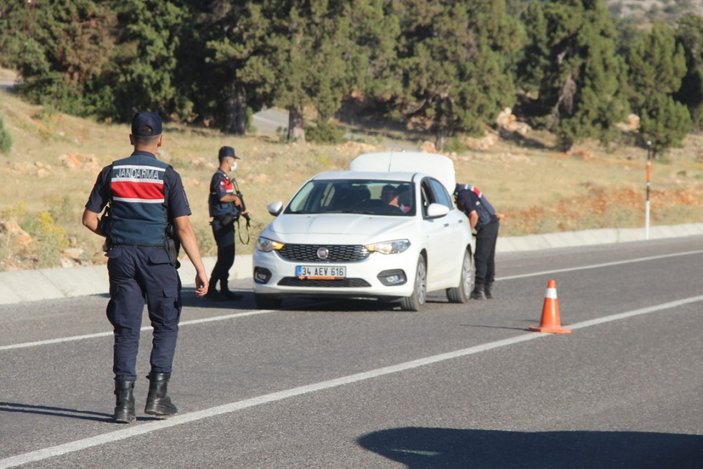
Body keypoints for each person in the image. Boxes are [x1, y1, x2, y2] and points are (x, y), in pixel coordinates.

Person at [82, 111, 209, 423]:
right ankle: (157, 397)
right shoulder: (168, 176)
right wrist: (201, 269)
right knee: (165, 324)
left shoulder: (111, 172)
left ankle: (123, 405)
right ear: (161, 140)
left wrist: (113, 233)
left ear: (130, 138)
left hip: (121, 258)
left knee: (126, 329)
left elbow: (88, 219)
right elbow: (183, 228)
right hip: (158, 260)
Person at [207, 145, 249, 300]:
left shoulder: (225, 178)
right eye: (233, 159)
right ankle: (211, 288)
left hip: (228, 221)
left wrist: (241, 211)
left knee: (227, 257)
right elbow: (222, 197)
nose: (234, 163)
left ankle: (223, 288)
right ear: (228, 159)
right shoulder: (218, 177)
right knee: (225, 258)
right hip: (222, 223)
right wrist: (235, 199)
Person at [454, 183, 500, 300]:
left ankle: (479, 289)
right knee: (489, 257)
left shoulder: (463, 194)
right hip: (493, 222)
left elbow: (474, 216)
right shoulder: (466, 190)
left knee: (481, 257)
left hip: (486, 225)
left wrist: (467, 232)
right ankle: (487, 288)